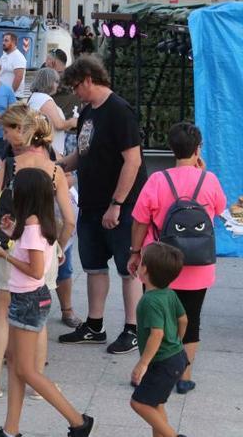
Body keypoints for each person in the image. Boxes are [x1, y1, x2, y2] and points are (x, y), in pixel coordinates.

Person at [0, 106, 77, 399]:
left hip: (12, 244)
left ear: (22, 131)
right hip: (43, 249)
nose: (4, 135)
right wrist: (59, 246)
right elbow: (69, 219)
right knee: (39, 318)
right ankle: (36, 381)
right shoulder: (54, 170)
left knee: (2, 314)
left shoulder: (9, 164)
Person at [0, 168, 95, 437]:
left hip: (29, 300)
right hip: (26, 299)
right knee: (13, 361)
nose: (12, 191)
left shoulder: (33, 225)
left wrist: (4, 254)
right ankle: (10, 429)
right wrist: (13, 236)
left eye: (15, 187)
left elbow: (35, 270)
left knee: (26, 370)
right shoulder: (37, 222)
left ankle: (78, 421)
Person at [57, 56, 148, 355]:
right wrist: (57, 165)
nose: (75, 93)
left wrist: (117, 204)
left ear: (88, 80)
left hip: (120, 206)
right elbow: (83, 154)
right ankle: (95, 325)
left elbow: (132, 161)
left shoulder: (119, 111)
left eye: (75, 86)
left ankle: (132, 329)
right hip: (91, 203)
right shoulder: (88, 113)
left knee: (128, 268)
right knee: (94, 265)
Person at [128, 122, 226, 395]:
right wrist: (202, 174)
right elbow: (217, 211)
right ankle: (184, 376)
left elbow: (139, 221)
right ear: (198, 149)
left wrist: (135, 253)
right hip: (197, 265)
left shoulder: (158, 180)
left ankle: (150, 371)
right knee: (191, 319)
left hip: (159, 263)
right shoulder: (210, 180)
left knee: (155, 320)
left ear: (171, 148)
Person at [129, 243, 189, 437]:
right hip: (177, 357)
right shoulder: (169, 293)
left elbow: (157, 333)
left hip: (162, 362)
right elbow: (183, 319)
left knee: (139, 403)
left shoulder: (149, 300)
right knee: (155, 403)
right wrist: (178, 341)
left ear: (144, 269)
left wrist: (142, 363)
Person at [27, 68, 76, 157]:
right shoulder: (44, 99)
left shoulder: (34, 97)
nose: (57, 85)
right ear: (49, 82)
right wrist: (73, 122)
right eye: (56, 82)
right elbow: (59, 125)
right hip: (50, 152)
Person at [46, 49, 82, 156]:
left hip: (60, 132)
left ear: (53, 62)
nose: (46, 62)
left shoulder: (53, 79)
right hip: (73, 131)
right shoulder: (73, 75)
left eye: (48, 59)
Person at [0, 33, 27, 99]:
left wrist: (10, 94)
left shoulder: (18, 57)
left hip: (13, 96)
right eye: (3, 40)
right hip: (2, 94)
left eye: (6, 41)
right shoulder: (4, 55)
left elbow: (18, 77)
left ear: (13, 42)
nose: (3, 43)